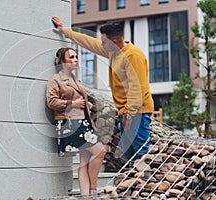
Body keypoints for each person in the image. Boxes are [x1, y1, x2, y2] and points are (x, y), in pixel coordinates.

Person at [51, 16, 154, 161]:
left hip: (137, 112)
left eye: (104, 42)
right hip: (126, 111)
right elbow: (89, 42)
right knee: (129, 155)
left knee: (141, 153)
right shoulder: (113, 51)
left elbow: (137, 88)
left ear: (115, 42)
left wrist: (130, 115)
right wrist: (65, 31)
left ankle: (146, 180)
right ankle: (133, 181)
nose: (102, 45)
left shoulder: (133, 56)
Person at [46, 47, 106, 195]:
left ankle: (86, 196)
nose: (76, 60)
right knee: (100, 151)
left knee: (84, 161)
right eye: (71, 57)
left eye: (76, 57)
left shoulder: (75, 79)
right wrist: (71, 103)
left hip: (83, 121)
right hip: (71, 123)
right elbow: (51, 101)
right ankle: (92, 188)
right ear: (62, 62)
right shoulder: (56, 79)